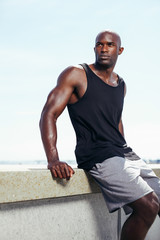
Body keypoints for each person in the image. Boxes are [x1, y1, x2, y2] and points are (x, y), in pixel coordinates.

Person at [40, 30, 160, 240]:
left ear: (120, 50)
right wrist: (53, 159)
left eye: (110, 45)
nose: (104, 49)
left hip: (123, 154)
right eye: (99, 44)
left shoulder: (120, 84)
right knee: (148, 207)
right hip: (98, 156)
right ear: (94, 48)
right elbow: (48, 114)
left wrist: (126, 154)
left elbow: (116, 122)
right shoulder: (76, 74)